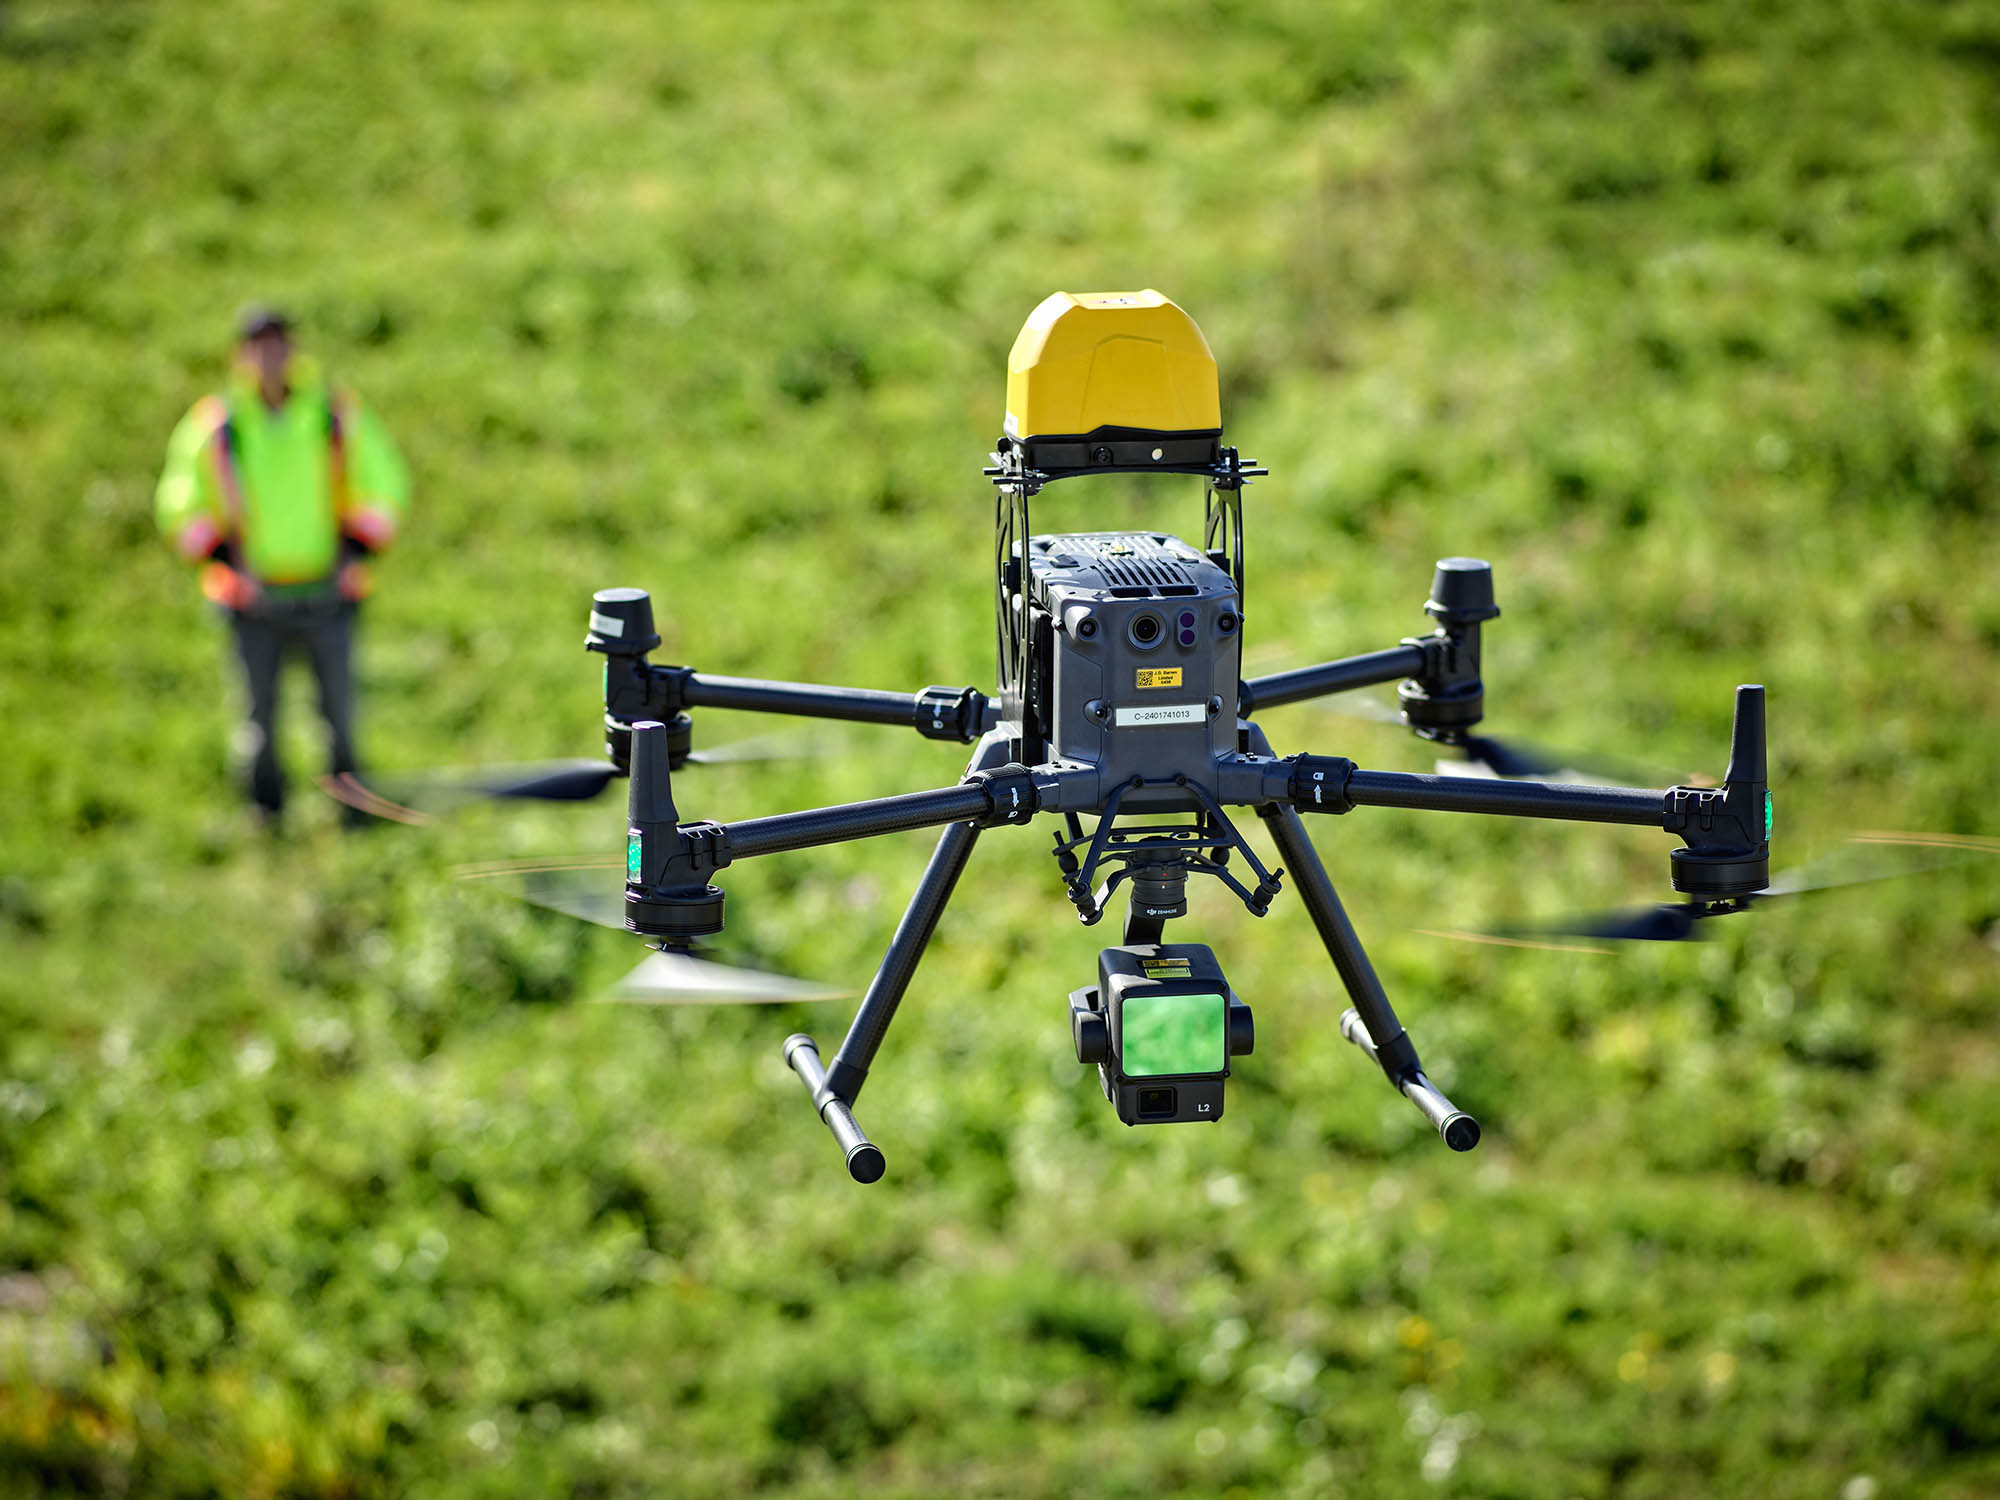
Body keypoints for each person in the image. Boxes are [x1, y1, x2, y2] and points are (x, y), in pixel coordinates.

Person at [155, 307, 410, 826]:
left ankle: (354, 813)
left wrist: (356, 551)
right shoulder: (217, 425)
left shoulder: (334, 415)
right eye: (258, 346)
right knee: (258, 721)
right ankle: (265, 814)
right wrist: (224, 559)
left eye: (278, 344)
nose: (270, 357)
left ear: (294, 351)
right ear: (241, 356)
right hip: (250, 602)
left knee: (339, 716)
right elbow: (181, 504)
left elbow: (384, 485)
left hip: (330, 594)